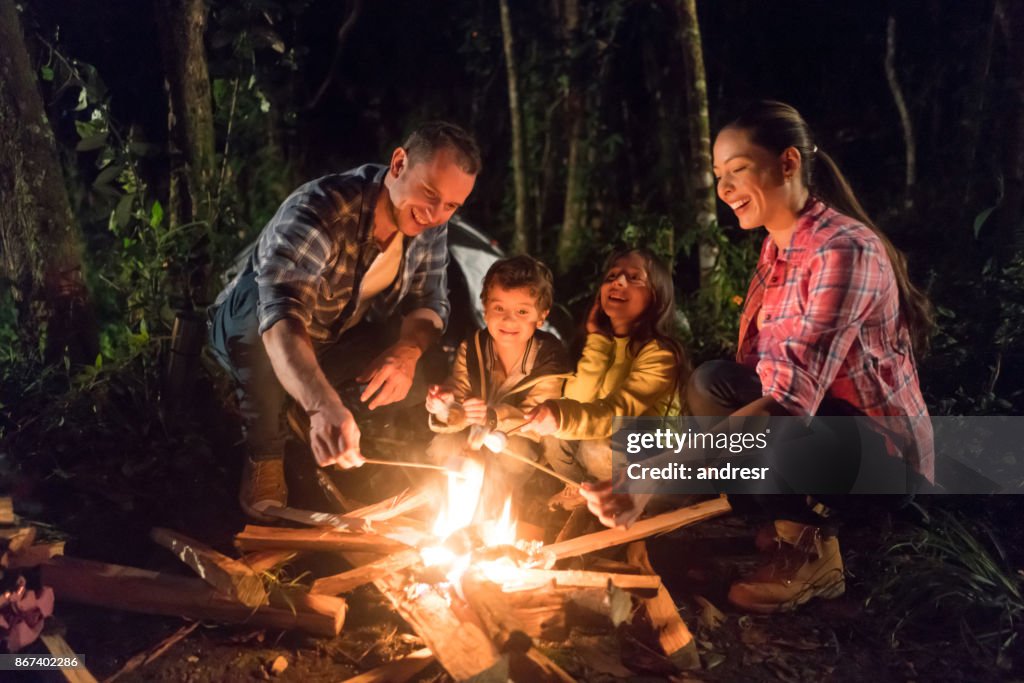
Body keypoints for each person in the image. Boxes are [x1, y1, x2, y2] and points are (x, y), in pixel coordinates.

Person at [581, 100, 935, 613]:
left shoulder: (843, 253)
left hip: (882, 458)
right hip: (826, 430)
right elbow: (757, 377)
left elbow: (785, 409)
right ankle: (788, 526)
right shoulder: (777, 248)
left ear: (787, 163)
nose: (724, 189)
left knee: (755, 422)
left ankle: (813, 556)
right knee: (712, 382)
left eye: (738, 171)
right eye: (718, 175)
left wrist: (655, 475)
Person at [208, 122, 481, 519]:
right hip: (253, 330)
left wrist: (406, 353)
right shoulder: (322, 208)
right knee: (258, 318)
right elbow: (281, 315)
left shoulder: (429, 227)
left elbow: (430, 302)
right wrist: (323, 406)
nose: (436, 215)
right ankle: (265, 451)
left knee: (418, 369)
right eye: (430, 194)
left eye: (452, 207)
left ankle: (312, 418)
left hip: (331, 338)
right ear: (399, 163)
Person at [521, 248, 690, 507]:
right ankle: (586, 491)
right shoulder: (604, 344)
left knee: (603, 437)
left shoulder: (660, 353)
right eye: (612, 276)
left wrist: (563, 416)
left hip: (651, 463)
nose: (618, 282)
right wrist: (597, 342)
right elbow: (577, 400)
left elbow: (617, 412)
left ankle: (630, 504)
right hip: (605, 450)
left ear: (656, 296)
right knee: (556, 434)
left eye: (634, 278)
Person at [425, 255, 570, 519]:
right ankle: (448, 515)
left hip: (521, 439)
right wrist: (445, 406)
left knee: (512, 458)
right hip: (474, 434)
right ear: (485, 308)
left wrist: (493, 417)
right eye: (499, 308)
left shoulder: (549, 358)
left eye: (522, 311)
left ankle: (494, 518)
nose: (508, 320)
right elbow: (458, 392)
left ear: (541, 316)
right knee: (443, 447)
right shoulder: (474, 347)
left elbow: (535, 417)